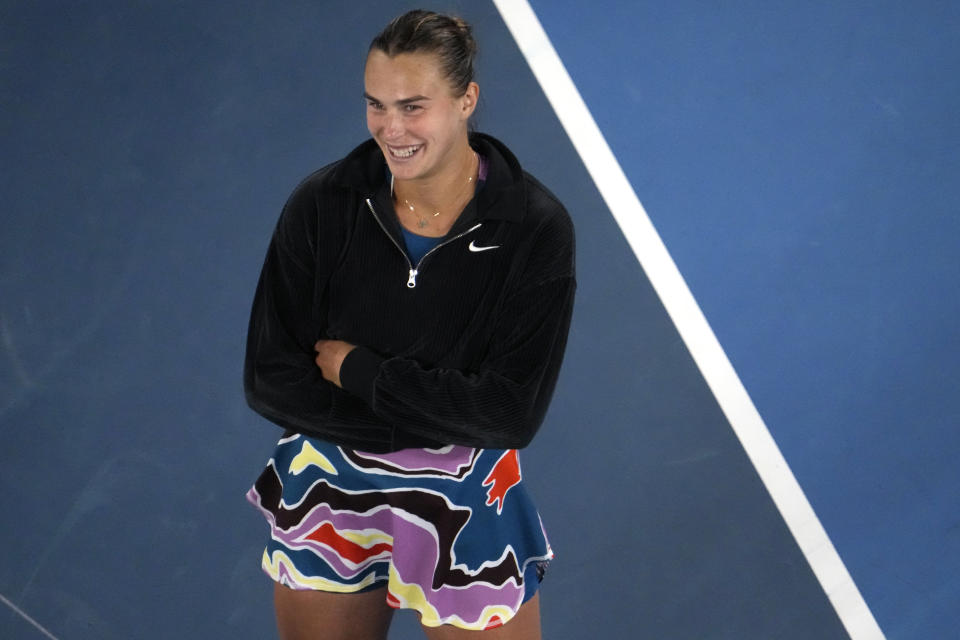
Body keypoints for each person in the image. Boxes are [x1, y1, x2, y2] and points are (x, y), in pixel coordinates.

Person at [244, 9, 575, 639]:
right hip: (330, 487)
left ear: (466, 100)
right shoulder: (322, 204)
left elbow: (510, 415)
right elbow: (270, 379)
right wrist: (438, 415)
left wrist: (358, 370)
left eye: (413, 106)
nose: (390, 129)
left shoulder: (535, 227)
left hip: (466, 499)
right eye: (376, 105)